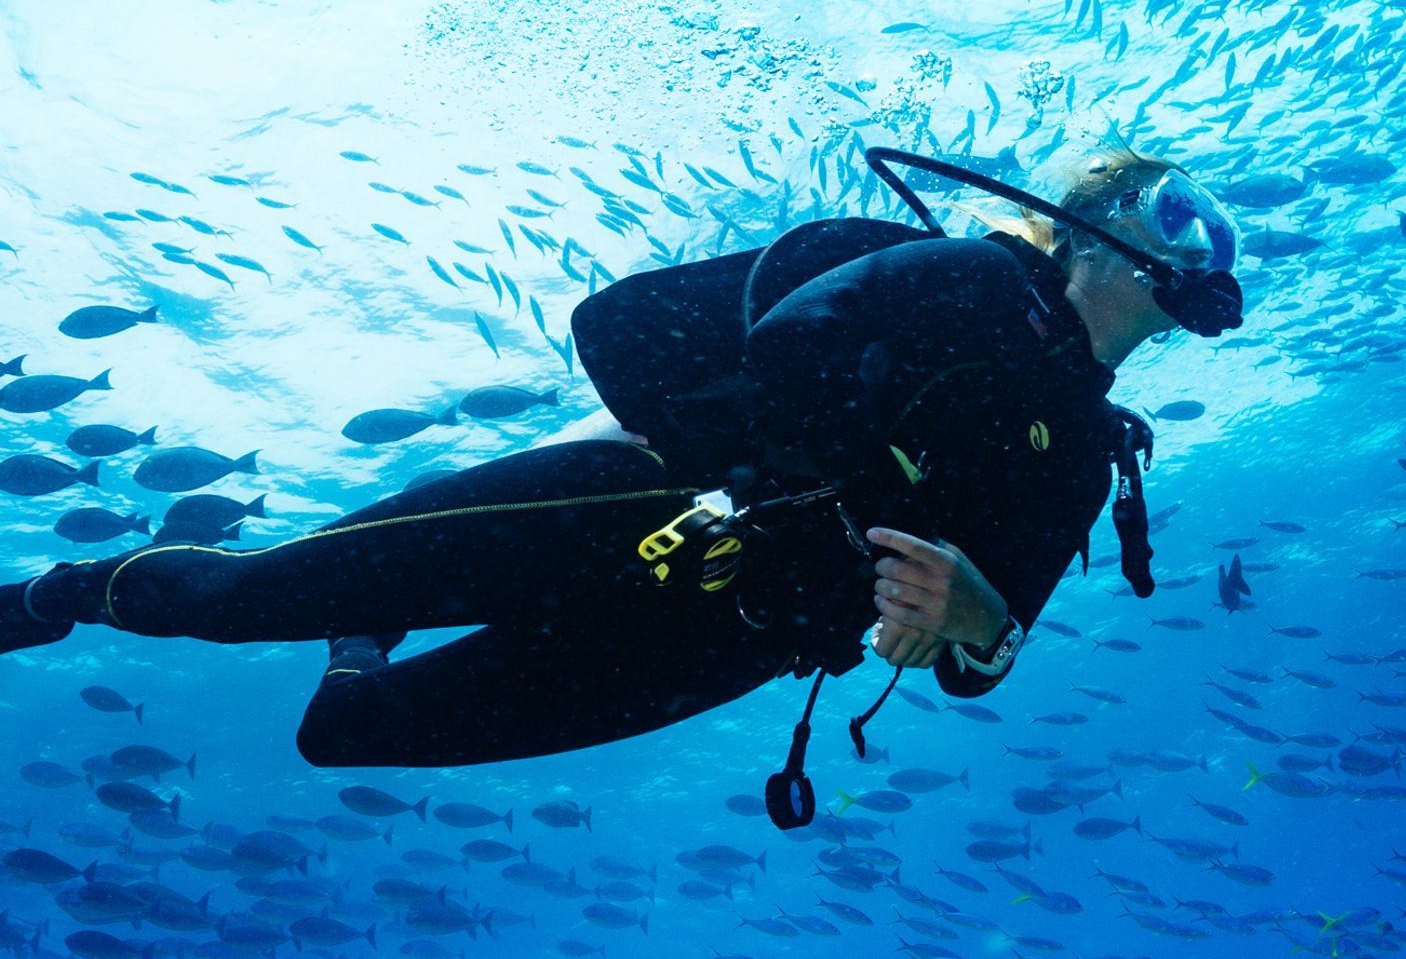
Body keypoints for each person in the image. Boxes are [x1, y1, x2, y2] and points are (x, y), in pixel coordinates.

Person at [0, 145, 1242, 799]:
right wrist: (861, 509)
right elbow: (792, 343)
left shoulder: (1088, 456)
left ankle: (359, 636)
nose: (1205, 249)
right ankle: (56, 593)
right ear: (1090, 228)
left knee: (347, 733)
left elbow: (984, 653)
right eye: (1178, 215)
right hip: (636, 504)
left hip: (732, 638)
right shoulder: (973, 279)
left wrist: (974, 623)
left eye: (1220, 237)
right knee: (233, 599)